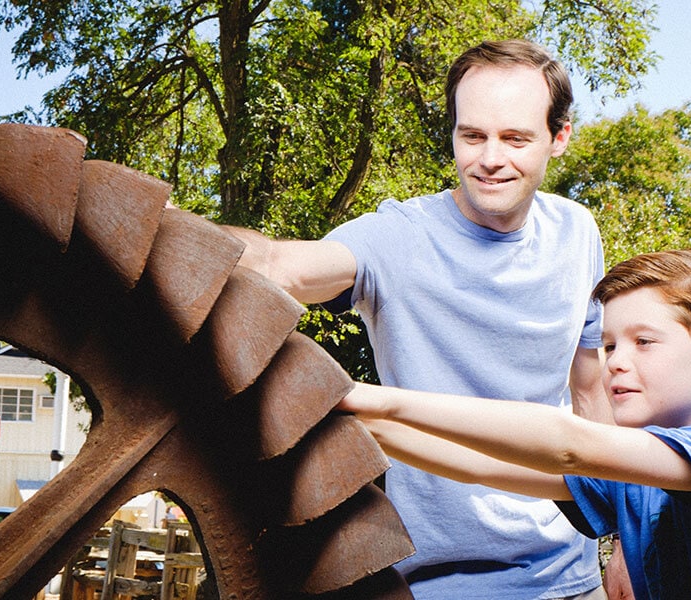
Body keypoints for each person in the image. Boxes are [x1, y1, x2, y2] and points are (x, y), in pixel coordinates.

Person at [225, 39, 612, 599]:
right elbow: (280, 265)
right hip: (432, 581)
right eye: (472, 135)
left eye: (515, 138)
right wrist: (176, 235)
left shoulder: (578, 233)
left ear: (559, 138)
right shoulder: (398, 239)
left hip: (568, 579)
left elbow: (590, 389)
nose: (490, 158)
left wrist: (618, 539)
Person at [337, 248, 691, 599]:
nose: (615, 360)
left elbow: (569, 445)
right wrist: (352, 422)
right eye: (610, 343)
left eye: (644, 342)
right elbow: (484, 466)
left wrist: (373, 399)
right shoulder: (643, 470)